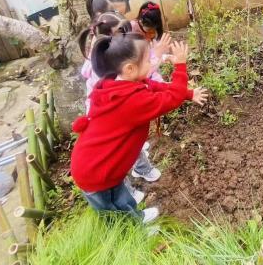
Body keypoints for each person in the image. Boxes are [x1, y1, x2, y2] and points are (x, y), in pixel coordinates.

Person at [71, 34, 207, 223]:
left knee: (122, 198)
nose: (152, 61)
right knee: (114, 214)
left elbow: (156, 86)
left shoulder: (118, 82)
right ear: (129, 68)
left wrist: (188, 93)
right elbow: (170, 100)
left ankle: (138, 218)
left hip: (102, 164)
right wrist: (180, 66)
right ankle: (131, 233)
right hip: (95, 172)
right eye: (147, 59)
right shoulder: (130, 100)